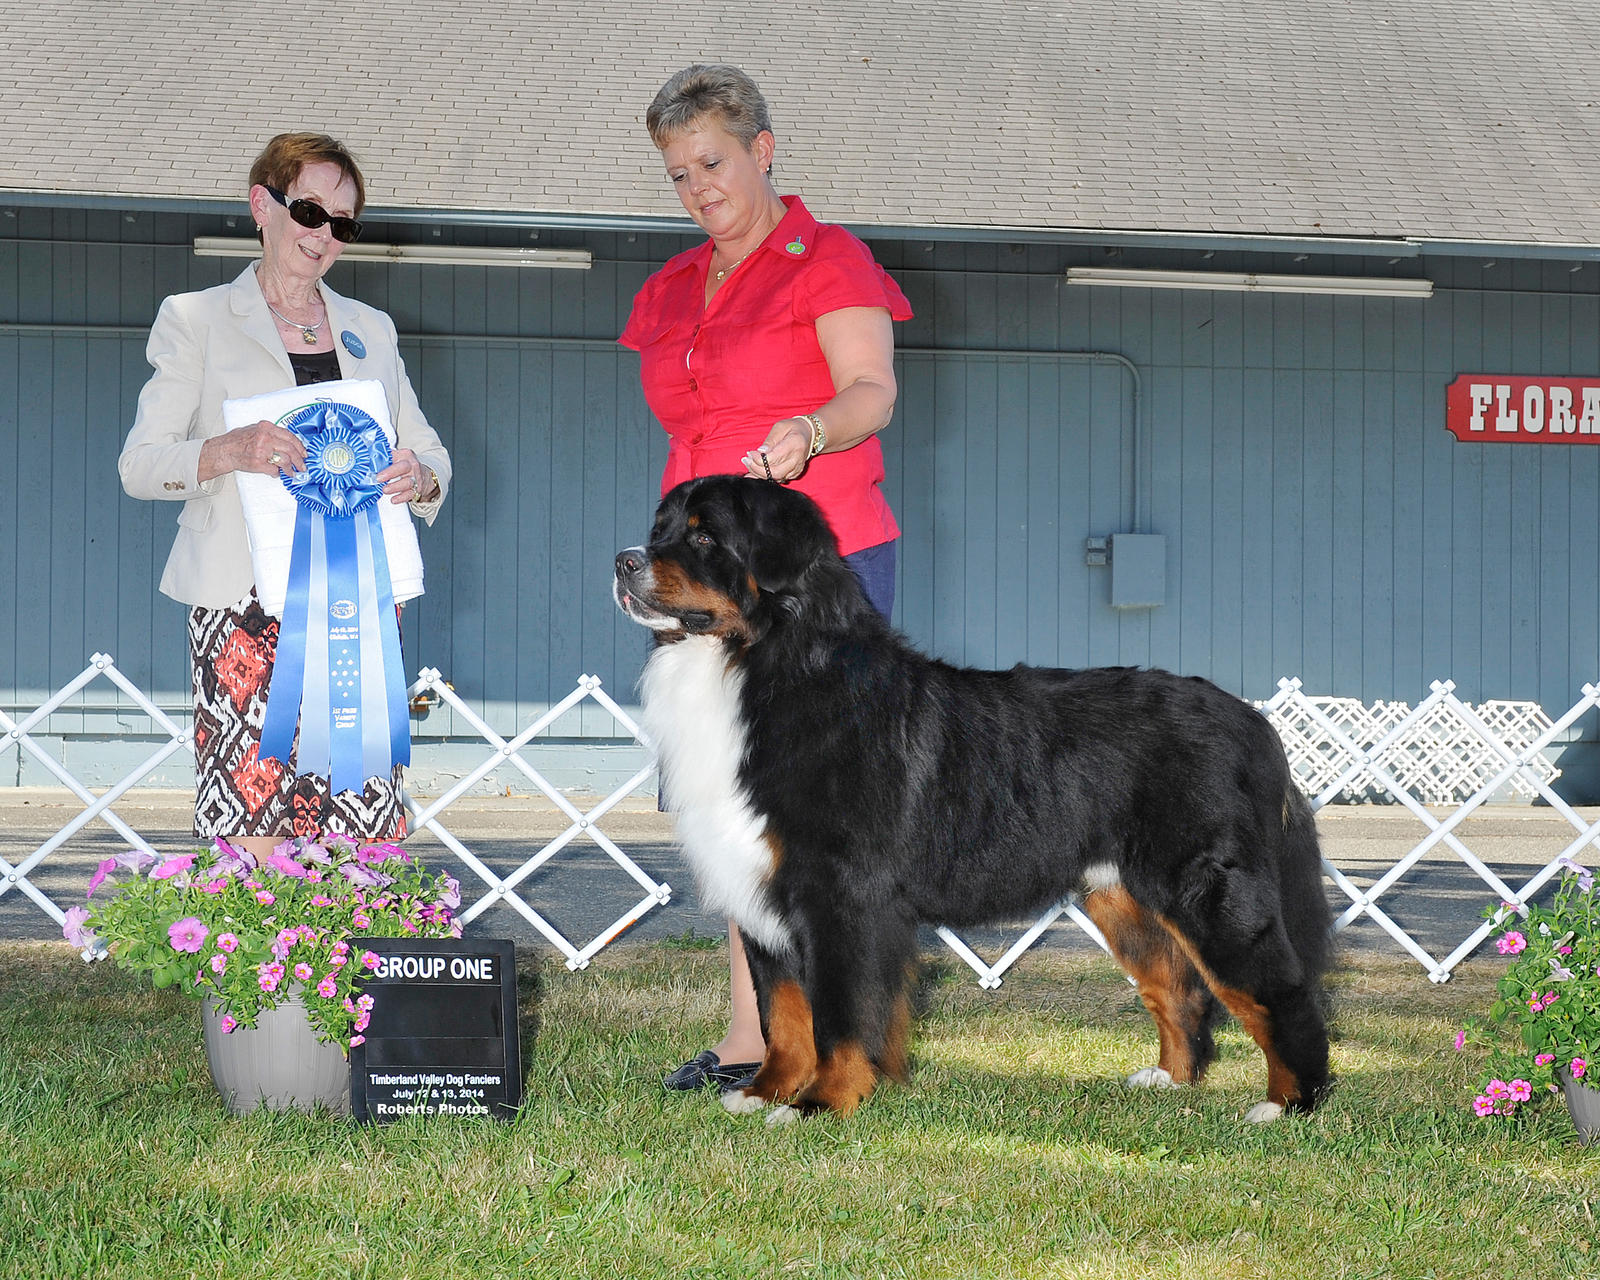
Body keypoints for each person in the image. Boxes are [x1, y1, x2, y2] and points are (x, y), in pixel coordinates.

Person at [619, 65, 912, 1091]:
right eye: (677, 175)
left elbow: (871, 390)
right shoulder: (667, 290)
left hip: (809, 567)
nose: (698, 188)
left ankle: (848, 1034)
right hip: (702, 574)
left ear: (763, 148)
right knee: (719, 796)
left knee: (820, 812)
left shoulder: (829, 260)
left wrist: (810, 430)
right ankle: (755, 1036)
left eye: (712, 162)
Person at [118, 132, 450, 860]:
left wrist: (419, 476)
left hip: (356, 604)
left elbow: (428, 450)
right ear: (260, 206)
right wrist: (227, 452)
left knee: (355, 812)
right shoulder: (196, 318)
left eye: (344, 222)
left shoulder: (372, 330)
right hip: (240, 609)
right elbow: (139, 465)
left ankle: (345, 972)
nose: (324, 235)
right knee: (250, 810)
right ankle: (259, 975)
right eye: (309, 211)